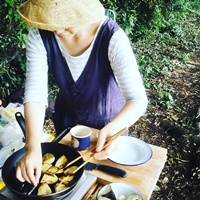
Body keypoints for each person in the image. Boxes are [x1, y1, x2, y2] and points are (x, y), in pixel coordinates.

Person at [16, 0, 148, 187]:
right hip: (67, 127)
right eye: (50, 21)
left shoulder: (111, 37)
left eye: (64, 21)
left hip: (107, 132)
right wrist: (32, 146)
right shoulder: (39, 34)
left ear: (82, 11)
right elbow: (36, 93)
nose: (57, 30)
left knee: (103, 186)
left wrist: (111, 130)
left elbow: (137, 100)